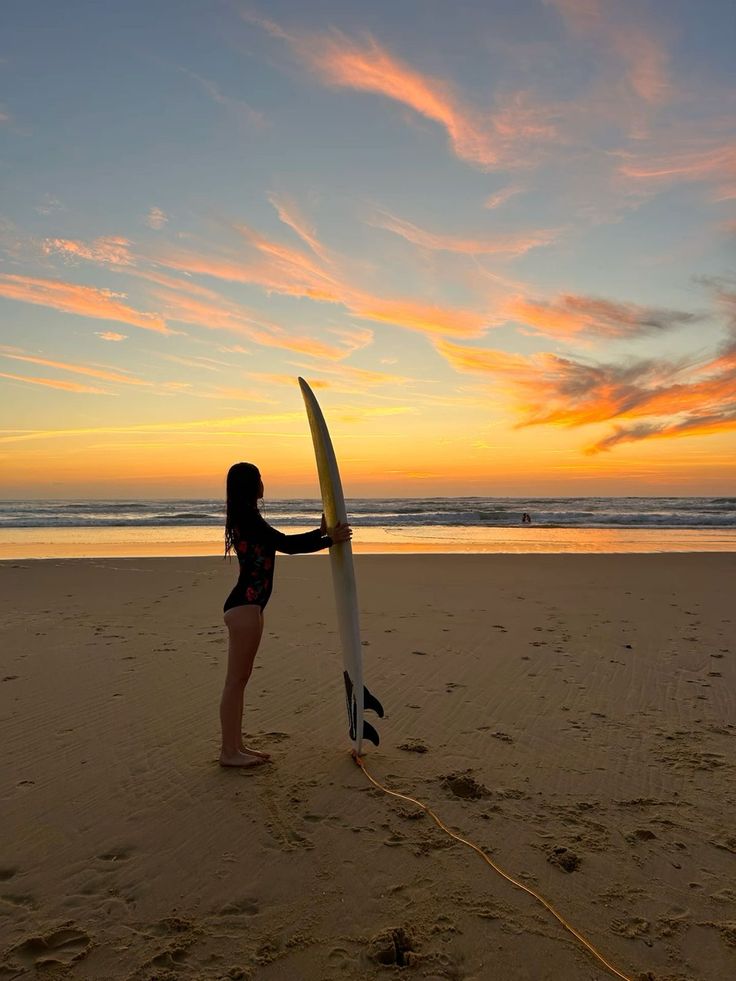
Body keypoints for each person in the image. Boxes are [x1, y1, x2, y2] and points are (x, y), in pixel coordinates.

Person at [220, 462, 352, 768]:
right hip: (244, 609)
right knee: (235, 682)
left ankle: (236, 746)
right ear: (252, 486)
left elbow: (281, 543)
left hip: (248, 608)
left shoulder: (247, 517)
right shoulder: (248, 519)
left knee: (239, 681)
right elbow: (287, 546)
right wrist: (329, 539)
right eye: (260, 478)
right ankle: (229, 752)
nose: (264, 483)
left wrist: (322, 534)